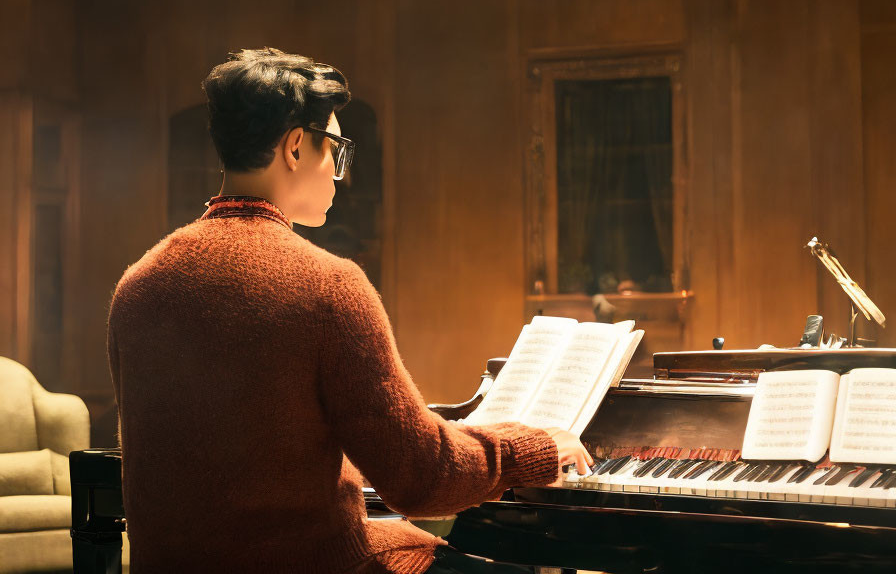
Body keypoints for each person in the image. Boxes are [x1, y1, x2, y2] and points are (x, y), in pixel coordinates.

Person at [107, 48, 592, 573]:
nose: (341, 175)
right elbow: (421, 479)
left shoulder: (138, 284)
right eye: (335, 150)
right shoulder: (328, 285)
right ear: (296, 146)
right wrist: (534, 447)